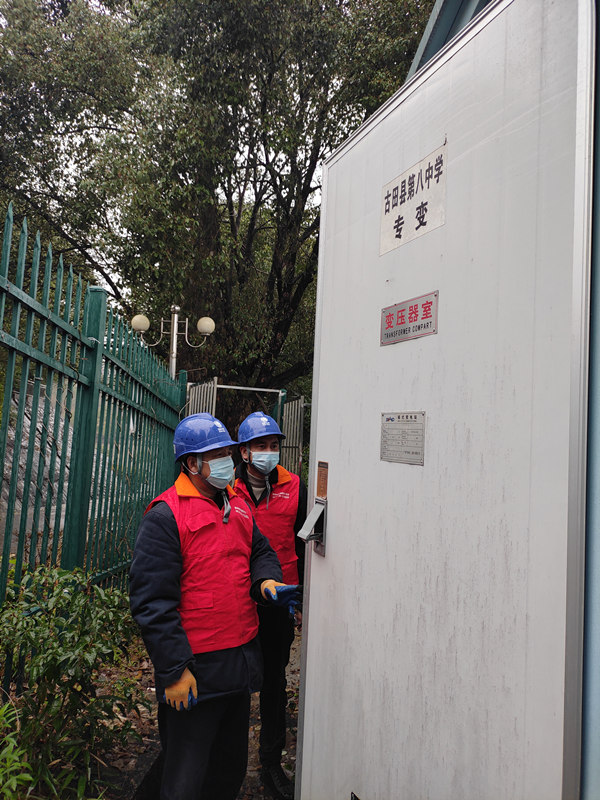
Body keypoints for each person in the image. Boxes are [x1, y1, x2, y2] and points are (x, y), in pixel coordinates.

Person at [129, 413, 300, 800]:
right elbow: (151, 602)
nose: (228, 461)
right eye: (218, 455)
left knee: (227, 771)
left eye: (228, 453)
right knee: (185, 779)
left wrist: (265, 582)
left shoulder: (236, 504)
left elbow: (260, 551)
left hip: (238, 666)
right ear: (192, 463)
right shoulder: (166, 515)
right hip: (194, 671)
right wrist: (174, 670)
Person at [234, 412, 307, 800]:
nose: (268, 452)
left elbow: (304, 542)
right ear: (244, 452)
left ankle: (271, 761)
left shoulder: (294, 486)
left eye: (273, 445)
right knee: (237, 678)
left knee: (276, 681)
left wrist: (302, 598)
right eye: (260, 446)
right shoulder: (227, 488)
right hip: (239, 599)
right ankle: (228, 759)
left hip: (280, 599)